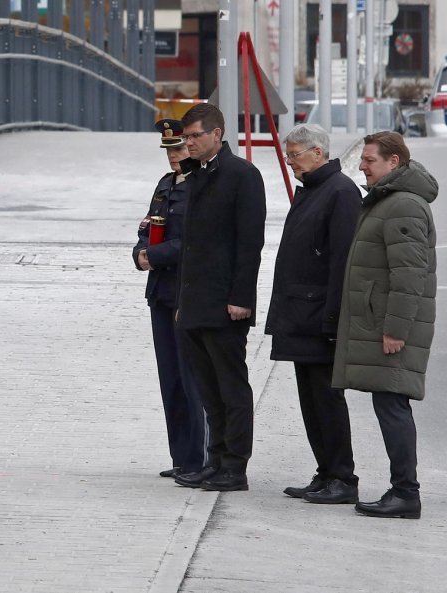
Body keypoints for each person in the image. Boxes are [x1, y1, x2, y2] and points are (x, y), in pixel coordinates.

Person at [333, 131, 437, 520]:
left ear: (394, 162)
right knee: (388, 403)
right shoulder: (388, 201)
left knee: (393, 405)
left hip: (392, 327)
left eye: (369, 160)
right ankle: (403, 490)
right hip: (382, 322)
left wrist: (395, 329)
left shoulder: (404, 206)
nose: (361, 166)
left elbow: (409, 275)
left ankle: (406, 493)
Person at [264, 124, 361, 504]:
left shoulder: (340, 193)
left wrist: (334, 319)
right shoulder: (312, 191)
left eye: (295, 155)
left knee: (327, 398)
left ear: (318, 153)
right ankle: (325, 472)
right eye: (288, 156)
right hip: (301, 315)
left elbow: (342, 263)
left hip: (320, 317)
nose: (289, 163)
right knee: (310, 399)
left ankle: (343, 477)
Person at [172, 103, 266, 492]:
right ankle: (216, 459)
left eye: (195, 136)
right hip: (195, 302)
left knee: (231, 388)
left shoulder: (242, 175)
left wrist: (241, 297)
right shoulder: (196, 175)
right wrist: (182, 302)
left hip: (226, 303)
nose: (188, 143)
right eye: (186, 137)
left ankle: (235, 466)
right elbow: (192, 246)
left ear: (217, 134)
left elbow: (250, 243)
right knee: (208, 389)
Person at [132, 119, 207, 479]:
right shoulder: (165, 185)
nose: (174, 157)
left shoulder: (200, 186)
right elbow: (148, 227)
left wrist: (154, 256)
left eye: (179, 149)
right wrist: (140, 253)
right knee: (170, 378)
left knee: (191, 377)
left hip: (186, 290)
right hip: (161, 291)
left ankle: (198, 459)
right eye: (169, 151)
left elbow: (196, 239)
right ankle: (181, 457)